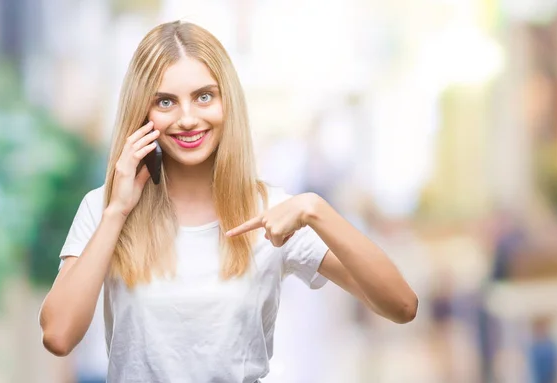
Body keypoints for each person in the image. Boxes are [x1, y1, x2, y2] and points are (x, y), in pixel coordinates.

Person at [38, 20, 418, 383]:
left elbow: (401, 306)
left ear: (226, 101)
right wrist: (117, 212)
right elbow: (58, 335)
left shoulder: (272, 209)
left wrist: (315, 210)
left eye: (204, 96)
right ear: (143, 112)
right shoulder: (105, 208)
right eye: (166, 102)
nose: (188, 118)